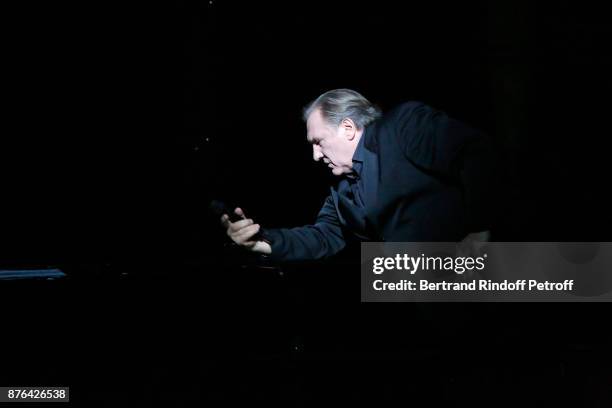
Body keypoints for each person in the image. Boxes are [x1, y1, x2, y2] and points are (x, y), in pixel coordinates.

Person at [220, 89, 498, 263]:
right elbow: (323, 237)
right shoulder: (341, 191)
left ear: (348, 128)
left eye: (319, 141)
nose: (316, 155)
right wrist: (261, 241)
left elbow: (474, 152)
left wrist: (480, 227)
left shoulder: (403, 127)